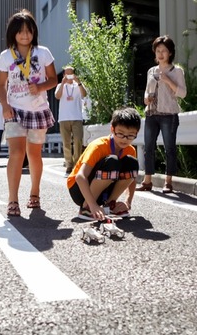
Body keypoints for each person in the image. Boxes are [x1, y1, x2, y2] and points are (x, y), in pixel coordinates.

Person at [0, 9, 57, 217]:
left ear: (34, 32)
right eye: (20, 31)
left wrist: (40, 87)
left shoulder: (43, 52)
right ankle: (12, 199)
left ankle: (35, 192)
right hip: (15, 110)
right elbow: (1, 84)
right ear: (13, 33)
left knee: (34, 154)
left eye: (28, 31)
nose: (25, 35)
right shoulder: (6, 56)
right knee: (16, 153)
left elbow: (53, 79)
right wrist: (5, 106)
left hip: (38, 110)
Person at [68, 107, 141, 221]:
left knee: (132, 162)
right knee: (112, 161)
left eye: (130, 135)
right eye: (121, 134)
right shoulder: (98, 146)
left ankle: (110, 204)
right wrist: (92, 205)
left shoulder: (130, 150)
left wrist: (128, 202)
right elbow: (80, 177)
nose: (125, 139)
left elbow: (131, 177)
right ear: (112, 129)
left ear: (137, 133)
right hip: (79, 190)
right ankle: (86, 208)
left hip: (104, 190)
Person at [136, 35, 187, 193]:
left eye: (164, 51)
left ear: (170, 53)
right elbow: (146, 91)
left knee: (169, 148)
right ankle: (147, 181)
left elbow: (183, 93)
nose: (160, 54)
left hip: (169, 114)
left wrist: (167, 80)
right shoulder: (151, 71)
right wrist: (146, 98)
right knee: (148, 147)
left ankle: (168, 181)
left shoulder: (176, 70)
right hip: (151, 113)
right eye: (158, 50)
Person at [55, 65, 87, 176]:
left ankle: (77, 163)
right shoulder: (60, 85)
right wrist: (63, 83)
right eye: (67, 73)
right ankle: (69, 164)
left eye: (71, 73)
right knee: (66, 142)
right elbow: (57, 96)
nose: (69, 76)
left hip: (77, 117)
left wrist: (78, 82)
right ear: (64, 75)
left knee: (78, 140)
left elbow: (84, 94)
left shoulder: (78, 85)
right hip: (64, 118)